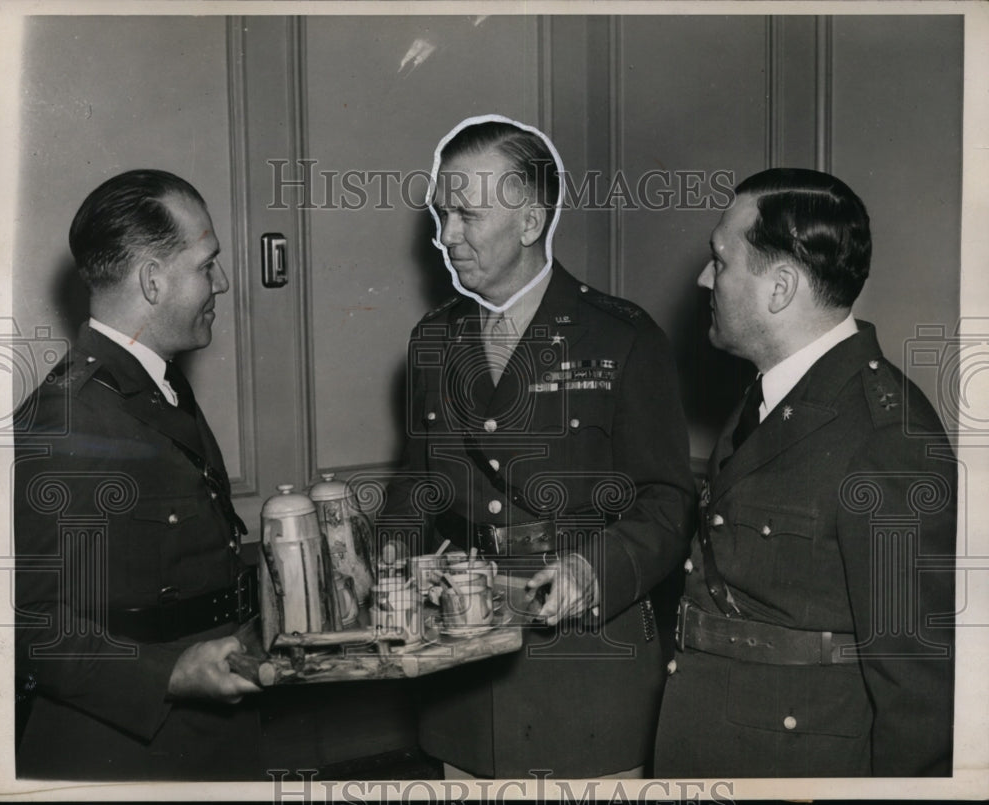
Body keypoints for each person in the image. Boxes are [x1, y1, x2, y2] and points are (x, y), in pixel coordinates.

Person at [378, 116, 696, 778]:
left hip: (586, 674)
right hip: (462, 679)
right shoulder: (432, 339)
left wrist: (594, 569)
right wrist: (392, 561)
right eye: (442, 214)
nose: (446, 237)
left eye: (466, 214)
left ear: (530, 221)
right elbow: (417, 481)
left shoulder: (622, 338)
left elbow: (667, 502)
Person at [653, 168, 956, 777]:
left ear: (780, 287)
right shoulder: (767, 399)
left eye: (721, 260)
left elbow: (919, 695)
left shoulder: (887, 438)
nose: (704, 278)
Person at [13, 169, 261, 780]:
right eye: (208, 265)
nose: (222, 283)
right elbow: (29, 623)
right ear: (153, 281)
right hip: (124, 755)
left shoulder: (156, 386)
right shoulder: (66, 418)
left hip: (204, 739)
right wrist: (172, 673)